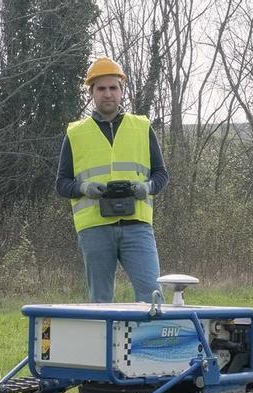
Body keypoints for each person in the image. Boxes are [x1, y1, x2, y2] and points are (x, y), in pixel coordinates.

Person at [55, 57, 169, 303]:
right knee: (101, 302)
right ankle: (105, 343)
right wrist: (84, 188)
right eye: (101, 88)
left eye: (113, 88)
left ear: (121, 90)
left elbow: (161, 174)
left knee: (153, 296)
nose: (108, 94)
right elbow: (62, 183)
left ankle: (149, 342)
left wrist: (146, 187)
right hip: (95, 228)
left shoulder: (141, 127)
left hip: (137, 226)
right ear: (92, 93)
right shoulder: (75, 133)